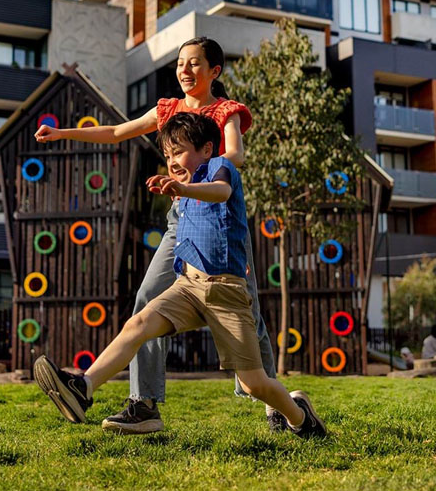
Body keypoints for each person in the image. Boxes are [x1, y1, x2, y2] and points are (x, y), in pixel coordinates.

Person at [35, 37, 280, 434]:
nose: (185, 70)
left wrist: (198, 173)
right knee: (148, 297)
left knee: (249, 313)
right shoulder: (168, 110)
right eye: (181, 63)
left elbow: (236, 155)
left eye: (195, 64)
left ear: (214, 71)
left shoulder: (226, 111)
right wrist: (63, 134)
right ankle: (144, 404)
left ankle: (274, 409)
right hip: (180, 219)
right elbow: (117, 132)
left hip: (221, 223)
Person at [32, 113, 326, 438]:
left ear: (207, 149)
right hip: (187, 287)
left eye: (180, 151)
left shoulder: (218, 168)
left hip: (225, 292)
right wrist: (178, 190)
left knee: (253, 383)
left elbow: (221, 192)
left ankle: (300, 417)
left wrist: (185, 186)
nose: (172, 161)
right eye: (168, 155)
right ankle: (82, 387)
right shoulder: (182, 194)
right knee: (138, 324)